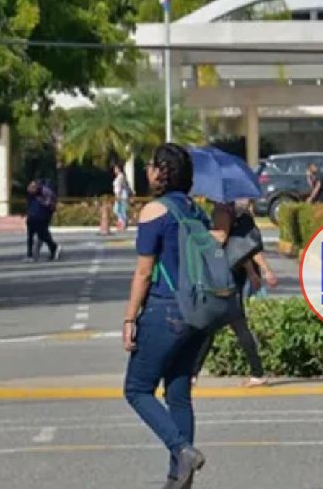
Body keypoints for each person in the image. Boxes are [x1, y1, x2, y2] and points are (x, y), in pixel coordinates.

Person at [123, 144, 224, 489]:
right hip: (196, 313)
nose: (147, 171)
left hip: (164, 309)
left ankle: (181, 450)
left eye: (151, 165)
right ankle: (177, 481)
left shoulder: (154, 211)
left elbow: (143, 272)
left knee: (137, 389)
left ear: (160, 172)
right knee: (178, 395)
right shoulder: (194, 210)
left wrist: (129, 318)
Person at [193, 199, 278, 387]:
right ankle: (257, 372)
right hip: (230, 276)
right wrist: (256, 271)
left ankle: (193, 373)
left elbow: (225, 240)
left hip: (226, 278)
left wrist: (199, 235)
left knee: (216, 324)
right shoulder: (231, 213)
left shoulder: (223, 212)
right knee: (224, 324)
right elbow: (240, 248)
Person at [24, 180, 61, 262]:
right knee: (30, 236)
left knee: (43, 235)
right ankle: (29, 254)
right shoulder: (32, 194)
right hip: (33, 217)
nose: (30, 191)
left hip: (43, 216)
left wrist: (41, 204)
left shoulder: (46, 192)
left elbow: (49, 205)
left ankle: (53, 247)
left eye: (32, 189)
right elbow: (29, 204)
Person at [113, 164, 131, 232]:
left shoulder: (121, 176)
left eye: (116, 168)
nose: (114, 170)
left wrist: (118, 195)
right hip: (120, 195)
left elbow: (120, 187)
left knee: (119, 210)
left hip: (121, 196)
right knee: (118, 210)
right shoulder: (120, 176)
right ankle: (122, 223)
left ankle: (123, 224)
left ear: (119, 169)